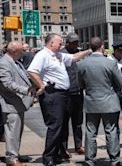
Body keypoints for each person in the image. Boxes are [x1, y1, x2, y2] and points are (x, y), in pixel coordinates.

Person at [27, 33, 92, 166]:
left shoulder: (58, 55)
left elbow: (74, 57)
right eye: (59, 43)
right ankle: (48, 157)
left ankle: (56, 154)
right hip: (52, 94)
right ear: (51, 43)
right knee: (55, 126)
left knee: (61, 126)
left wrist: (90, 50)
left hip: (63, 95)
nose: (61, 45)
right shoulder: (43, 55)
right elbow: (32, 71)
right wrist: (41, 85)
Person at [77, 37, 122, 166]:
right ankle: (114, 160)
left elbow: (80, 84)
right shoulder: (110, 63)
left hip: (91, 102)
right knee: (111, 131)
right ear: (102, 46)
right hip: (109, 101)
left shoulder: (82, 64)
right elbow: (120, 83)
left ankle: (89, 160)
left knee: (90, 132)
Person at [0, 41, 36, 166]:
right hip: (10, 103)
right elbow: (7, 83)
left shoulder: (16, 62)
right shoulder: (4, 63)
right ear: (15, 51)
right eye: (22, 50)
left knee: (17, 132)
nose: (24, 53)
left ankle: (15, 154)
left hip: (18, 103)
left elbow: (22, 76)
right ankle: (11, 158)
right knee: (12, 132)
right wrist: (26, 90)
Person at [60, 33, 85, 155]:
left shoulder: (80, 55)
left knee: (78, 122)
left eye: (77, 43)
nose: (75, 45)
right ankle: (63, 148)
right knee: (64, 123)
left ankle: (78, 145)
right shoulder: (62, 54)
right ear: (67, 43)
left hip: (78, 92)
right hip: (66, 94)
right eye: (73, 43)